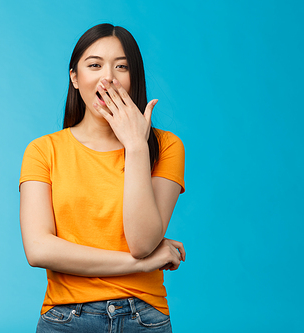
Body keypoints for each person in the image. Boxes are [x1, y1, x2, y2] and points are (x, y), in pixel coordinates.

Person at [19, 23, 186, 333]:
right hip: (66, 317)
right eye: (94, 65)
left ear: (133, 78)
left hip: (143, 316)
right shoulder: (43, 151)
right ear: (75, 77)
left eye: (121, 66)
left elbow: (142, 242)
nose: (107, 77)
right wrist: (144, 264)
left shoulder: (166, 147)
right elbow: (39, 249)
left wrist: (136, 146)